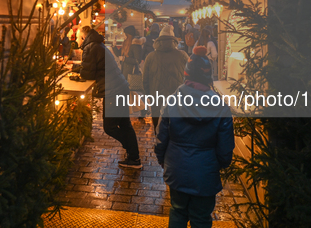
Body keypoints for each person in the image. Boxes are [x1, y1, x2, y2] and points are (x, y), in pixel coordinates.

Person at [155, 46, 235, 228]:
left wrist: (163, 159)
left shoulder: (172, 102)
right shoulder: (221, 107)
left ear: (186, 75)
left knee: (178, 210)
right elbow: (225, 148)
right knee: (201, 217)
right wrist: (219, 164)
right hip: (206, 173)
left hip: (176, 168)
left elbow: (161, 137)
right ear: (208, 78)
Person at [79, 26, 142, 169]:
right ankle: (134, 158)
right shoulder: (98, 44)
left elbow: (87, 74)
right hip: (120, 87)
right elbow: (93, 68)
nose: (77, 40)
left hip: (113, 91)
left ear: (83, 37)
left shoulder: (90, 48)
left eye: (78, 37)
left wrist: (78, 70)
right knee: (125, 125)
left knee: (110, 127)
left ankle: (132, 151)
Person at [142, 25, 189, 130]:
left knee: (159, 131)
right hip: (178, 99)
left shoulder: (150, 57)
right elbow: (191, 77)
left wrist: (150, 96)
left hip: (157, 98)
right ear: (174, 40)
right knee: (177, 131)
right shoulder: (182, 55)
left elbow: (145, 80)